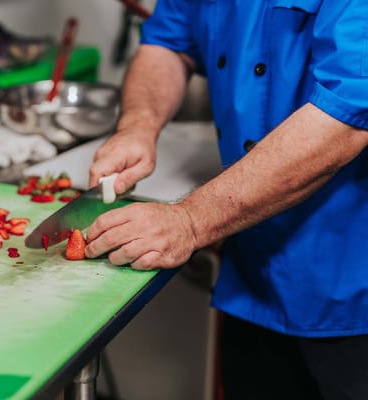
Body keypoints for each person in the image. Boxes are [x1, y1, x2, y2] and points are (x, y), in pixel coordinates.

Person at [85, 1, 368, 399]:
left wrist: (190, 220)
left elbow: (345, 119)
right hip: (253, 271)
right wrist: (137, 126)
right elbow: (167, 44)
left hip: (352, 290)